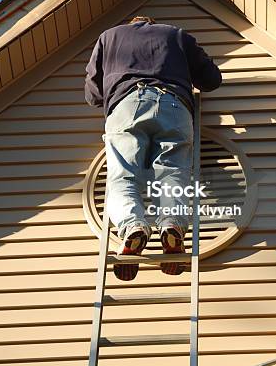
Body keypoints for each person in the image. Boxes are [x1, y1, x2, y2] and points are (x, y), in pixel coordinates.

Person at [85, 16, 222, 280]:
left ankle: (133, 225)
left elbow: (92, 94)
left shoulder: (109, 36)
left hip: (126, 105)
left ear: (131, 23)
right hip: (173, 105)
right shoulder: (176, 34)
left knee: (123, 176)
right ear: (151, 23)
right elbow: (212, 79)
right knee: (171, 173)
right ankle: (171, 224)